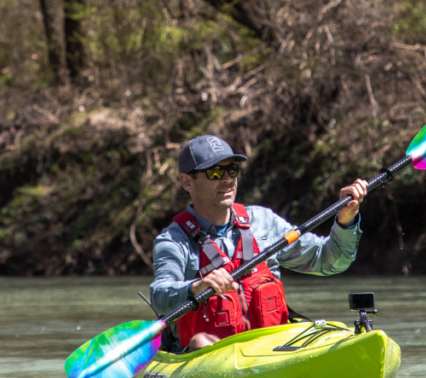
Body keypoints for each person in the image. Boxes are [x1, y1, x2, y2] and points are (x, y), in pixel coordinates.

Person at [150, 135, 368, 352]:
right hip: (208, 353)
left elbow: (330, 261)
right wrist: (195, 287)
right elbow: (159, 294)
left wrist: (346, 221)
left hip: (272, 350)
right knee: (200, 341)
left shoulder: (264, 222)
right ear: (187, 182)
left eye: (232, 170)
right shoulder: (173, 240)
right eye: (215, 172)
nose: (227, 179)